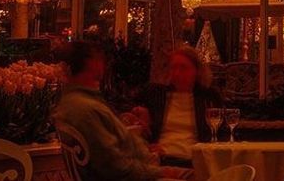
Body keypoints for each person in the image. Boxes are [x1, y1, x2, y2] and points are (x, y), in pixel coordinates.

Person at [53, 41, 193, 181]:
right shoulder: (88, 111)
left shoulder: (72, 102)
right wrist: (160, 172)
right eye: (98, 57)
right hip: (143, 174)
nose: (104, 62)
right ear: (91, 63)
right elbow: (118, 167)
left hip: (147, 163)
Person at [132, 46, 223, 167]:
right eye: (173, 67)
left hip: (196, 159)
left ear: (197, 71)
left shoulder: (208, 97)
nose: (177, 73)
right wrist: (139, 113)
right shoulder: (156, 94)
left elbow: (220, 132)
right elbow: (124, 107)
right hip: (161, 158)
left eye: (183, 68)